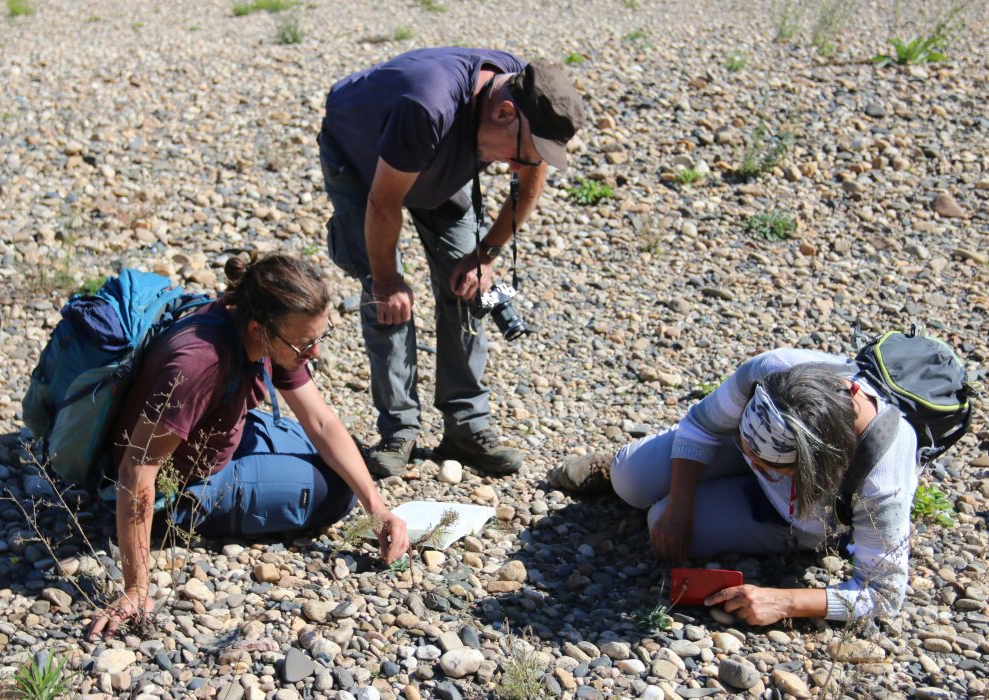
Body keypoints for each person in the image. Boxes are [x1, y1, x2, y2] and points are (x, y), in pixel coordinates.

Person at [86, 253, 409, 641]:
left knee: (345, 458)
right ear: (260, 330)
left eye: (321, 338)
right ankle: (186, 515)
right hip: (186, 481)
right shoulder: (199, 365)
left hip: (224, 427)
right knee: (337, 492)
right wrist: (136, 589)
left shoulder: (265, 324)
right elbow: (135, 469)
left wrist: (377, 508)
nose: (316, 353)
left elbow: (321, 421)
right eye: (306, 344)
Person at [320, 47, 584, 478]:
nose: (518, 165)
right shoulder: (425, 107)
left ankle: (466, 427)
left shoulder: (527, 95)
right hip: (362, 155)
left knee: (468, 285)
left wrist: (485, 255)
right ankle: (398, 431)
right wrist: (387, 281)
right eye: (522, 152)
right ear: (501, 113)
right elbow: (384, 203)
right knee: (387, 297)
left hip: (438, 153)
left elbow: (531, 171)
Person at [548, 348, 919, 626]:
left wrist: (786, 601)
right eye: (747, 450)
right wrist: (680, 505)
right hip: (775, 456)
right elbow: (701, 426)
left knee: (656, 519)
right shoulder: (773, 372)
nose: (752, 464)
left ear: (814, 468)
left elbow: (883, 594)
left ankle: (795, 530)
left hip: (795, 515)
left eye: (766, 466)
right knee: (630, 480)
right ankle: (617, 470)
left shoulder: (881, 477)